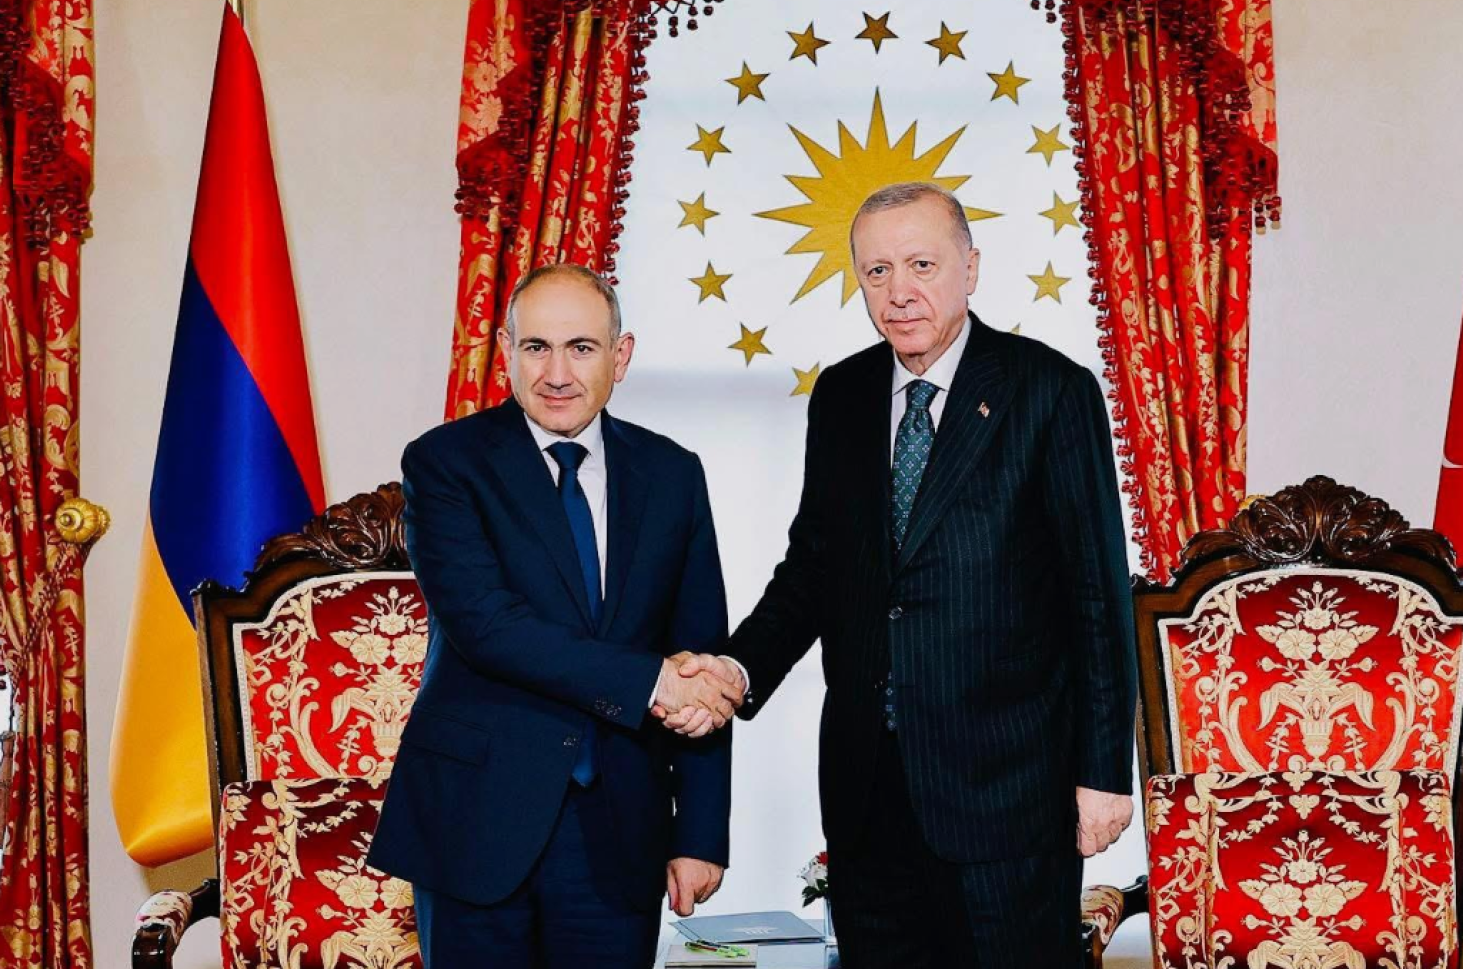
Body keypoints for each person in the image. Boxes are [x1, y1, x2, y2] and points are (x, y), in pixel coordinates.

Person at [667, 182, 1139, 966]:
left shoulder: (1049, 391)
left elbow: (1097, 594)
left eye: (922, 264)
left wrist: (1103, 774)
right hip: (867, 797)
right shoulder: (843, 395)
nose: (899, 291)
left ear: (970, 268)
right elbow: (815, 568)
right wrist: (735, 668)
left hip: (1007, 798)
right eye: (877, 271)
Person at [369, 263, 741, 968]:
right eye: (537, 347)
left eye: (582, 347)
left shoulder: (673, 473)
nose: (557, 373)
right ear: (506, 350)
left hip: (621, 831)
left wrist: (699, 833)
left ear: (620, 356)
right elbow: (488, 627)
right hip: (476, 822)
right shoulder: (446, 462)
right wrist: (654, 682)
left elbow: (699, 655)